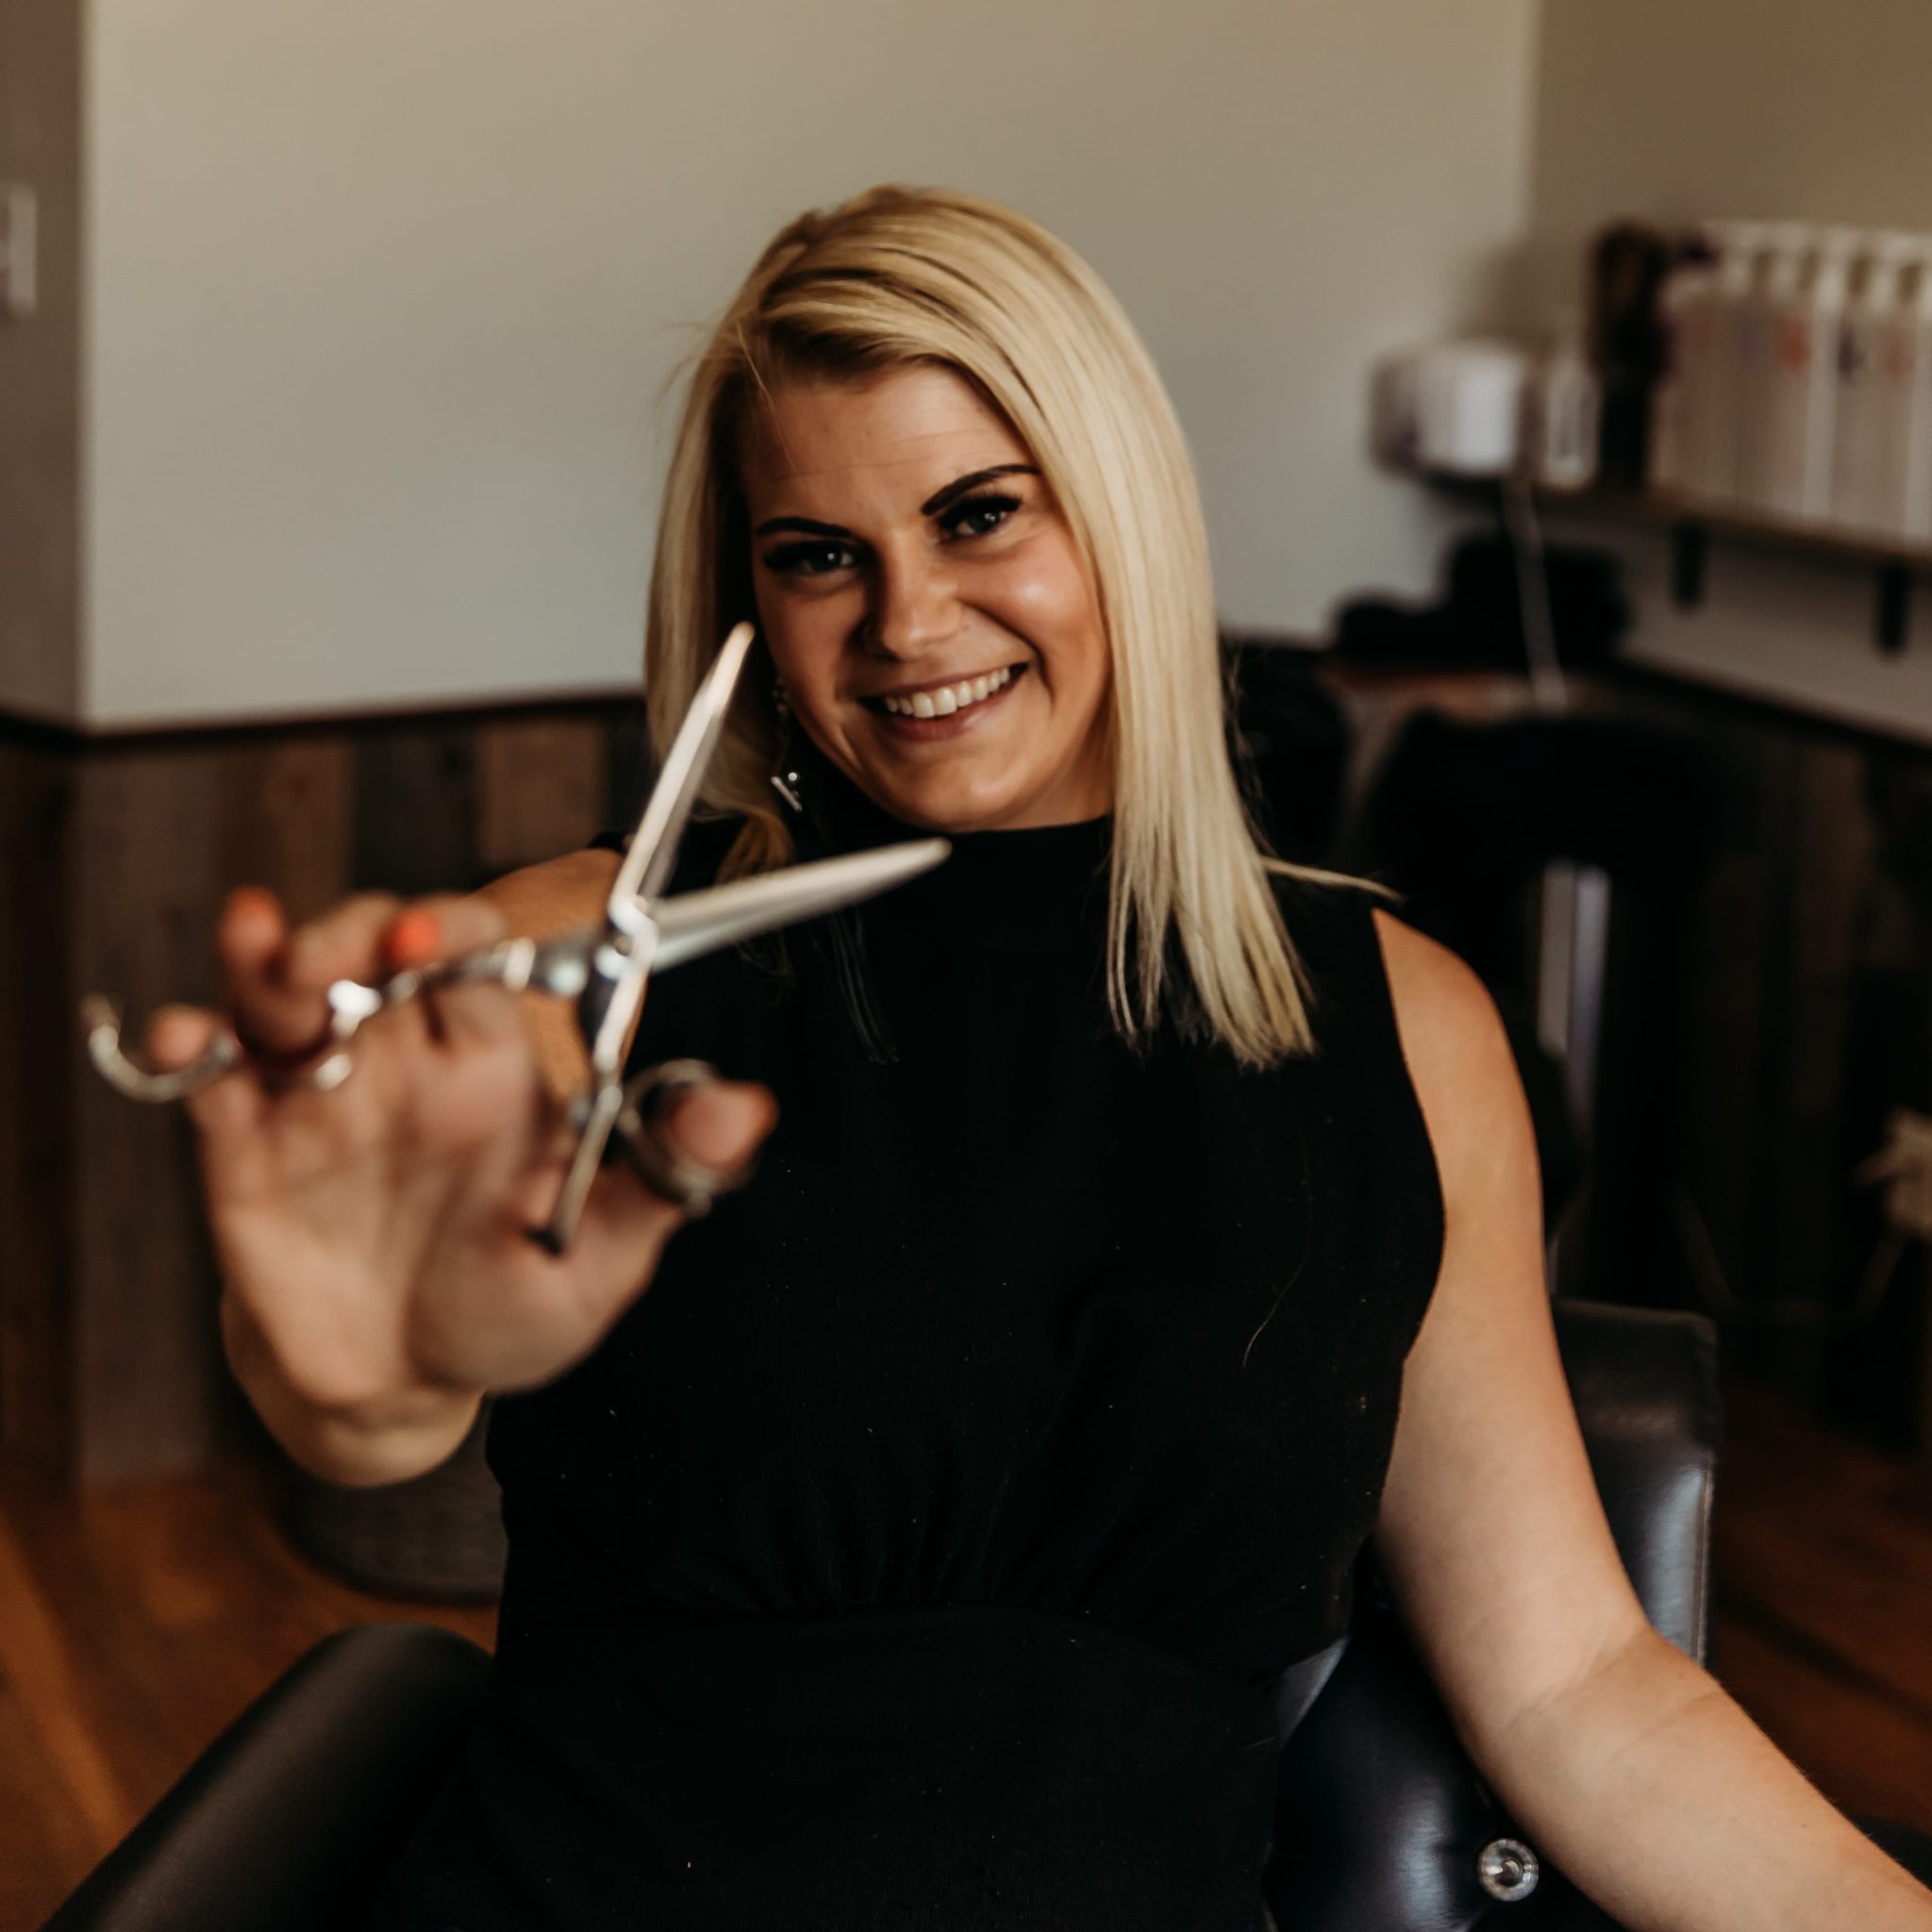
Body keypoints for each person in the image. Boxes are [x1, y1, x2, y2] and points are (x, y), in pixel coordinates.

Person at [146, 187, 1932, 1931]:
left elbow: (1579, 1687)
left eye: (979, 515)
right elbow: (367, 1409)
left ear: (1121, 517)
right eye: (819, 553)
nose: (908, 624)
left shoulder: (1409, 1026)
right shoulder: (566, 966)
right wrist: (364, 1382)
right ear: (746, 600)